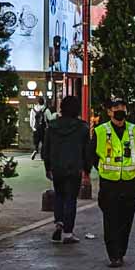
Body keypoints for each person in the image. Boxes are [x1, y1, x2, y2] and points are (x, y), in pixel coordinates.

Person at [92, 97, 135, 266]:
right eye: (116, 107)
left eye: (122, 106)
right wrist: (102, 169)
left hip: (129, 182)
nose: (120, 110)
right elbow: (92, 154)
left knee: (126, 219)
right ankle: (114, 255)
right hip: (109, 183)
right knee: (110, 219)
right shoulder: (100, 131)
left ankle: (121, 251)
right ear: (109, 112)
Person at [43, 93, 92, 244]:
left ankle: (59, 222)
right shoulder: (82, 127)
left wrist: (48, 167)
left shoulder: (52, 126)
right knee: (71, 198)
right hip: (74, 168)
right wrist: (87, 169)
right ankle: (68, 233)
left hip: (57, 167)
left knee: (59, 195)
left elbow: (46, 149)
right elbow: (87, 151)